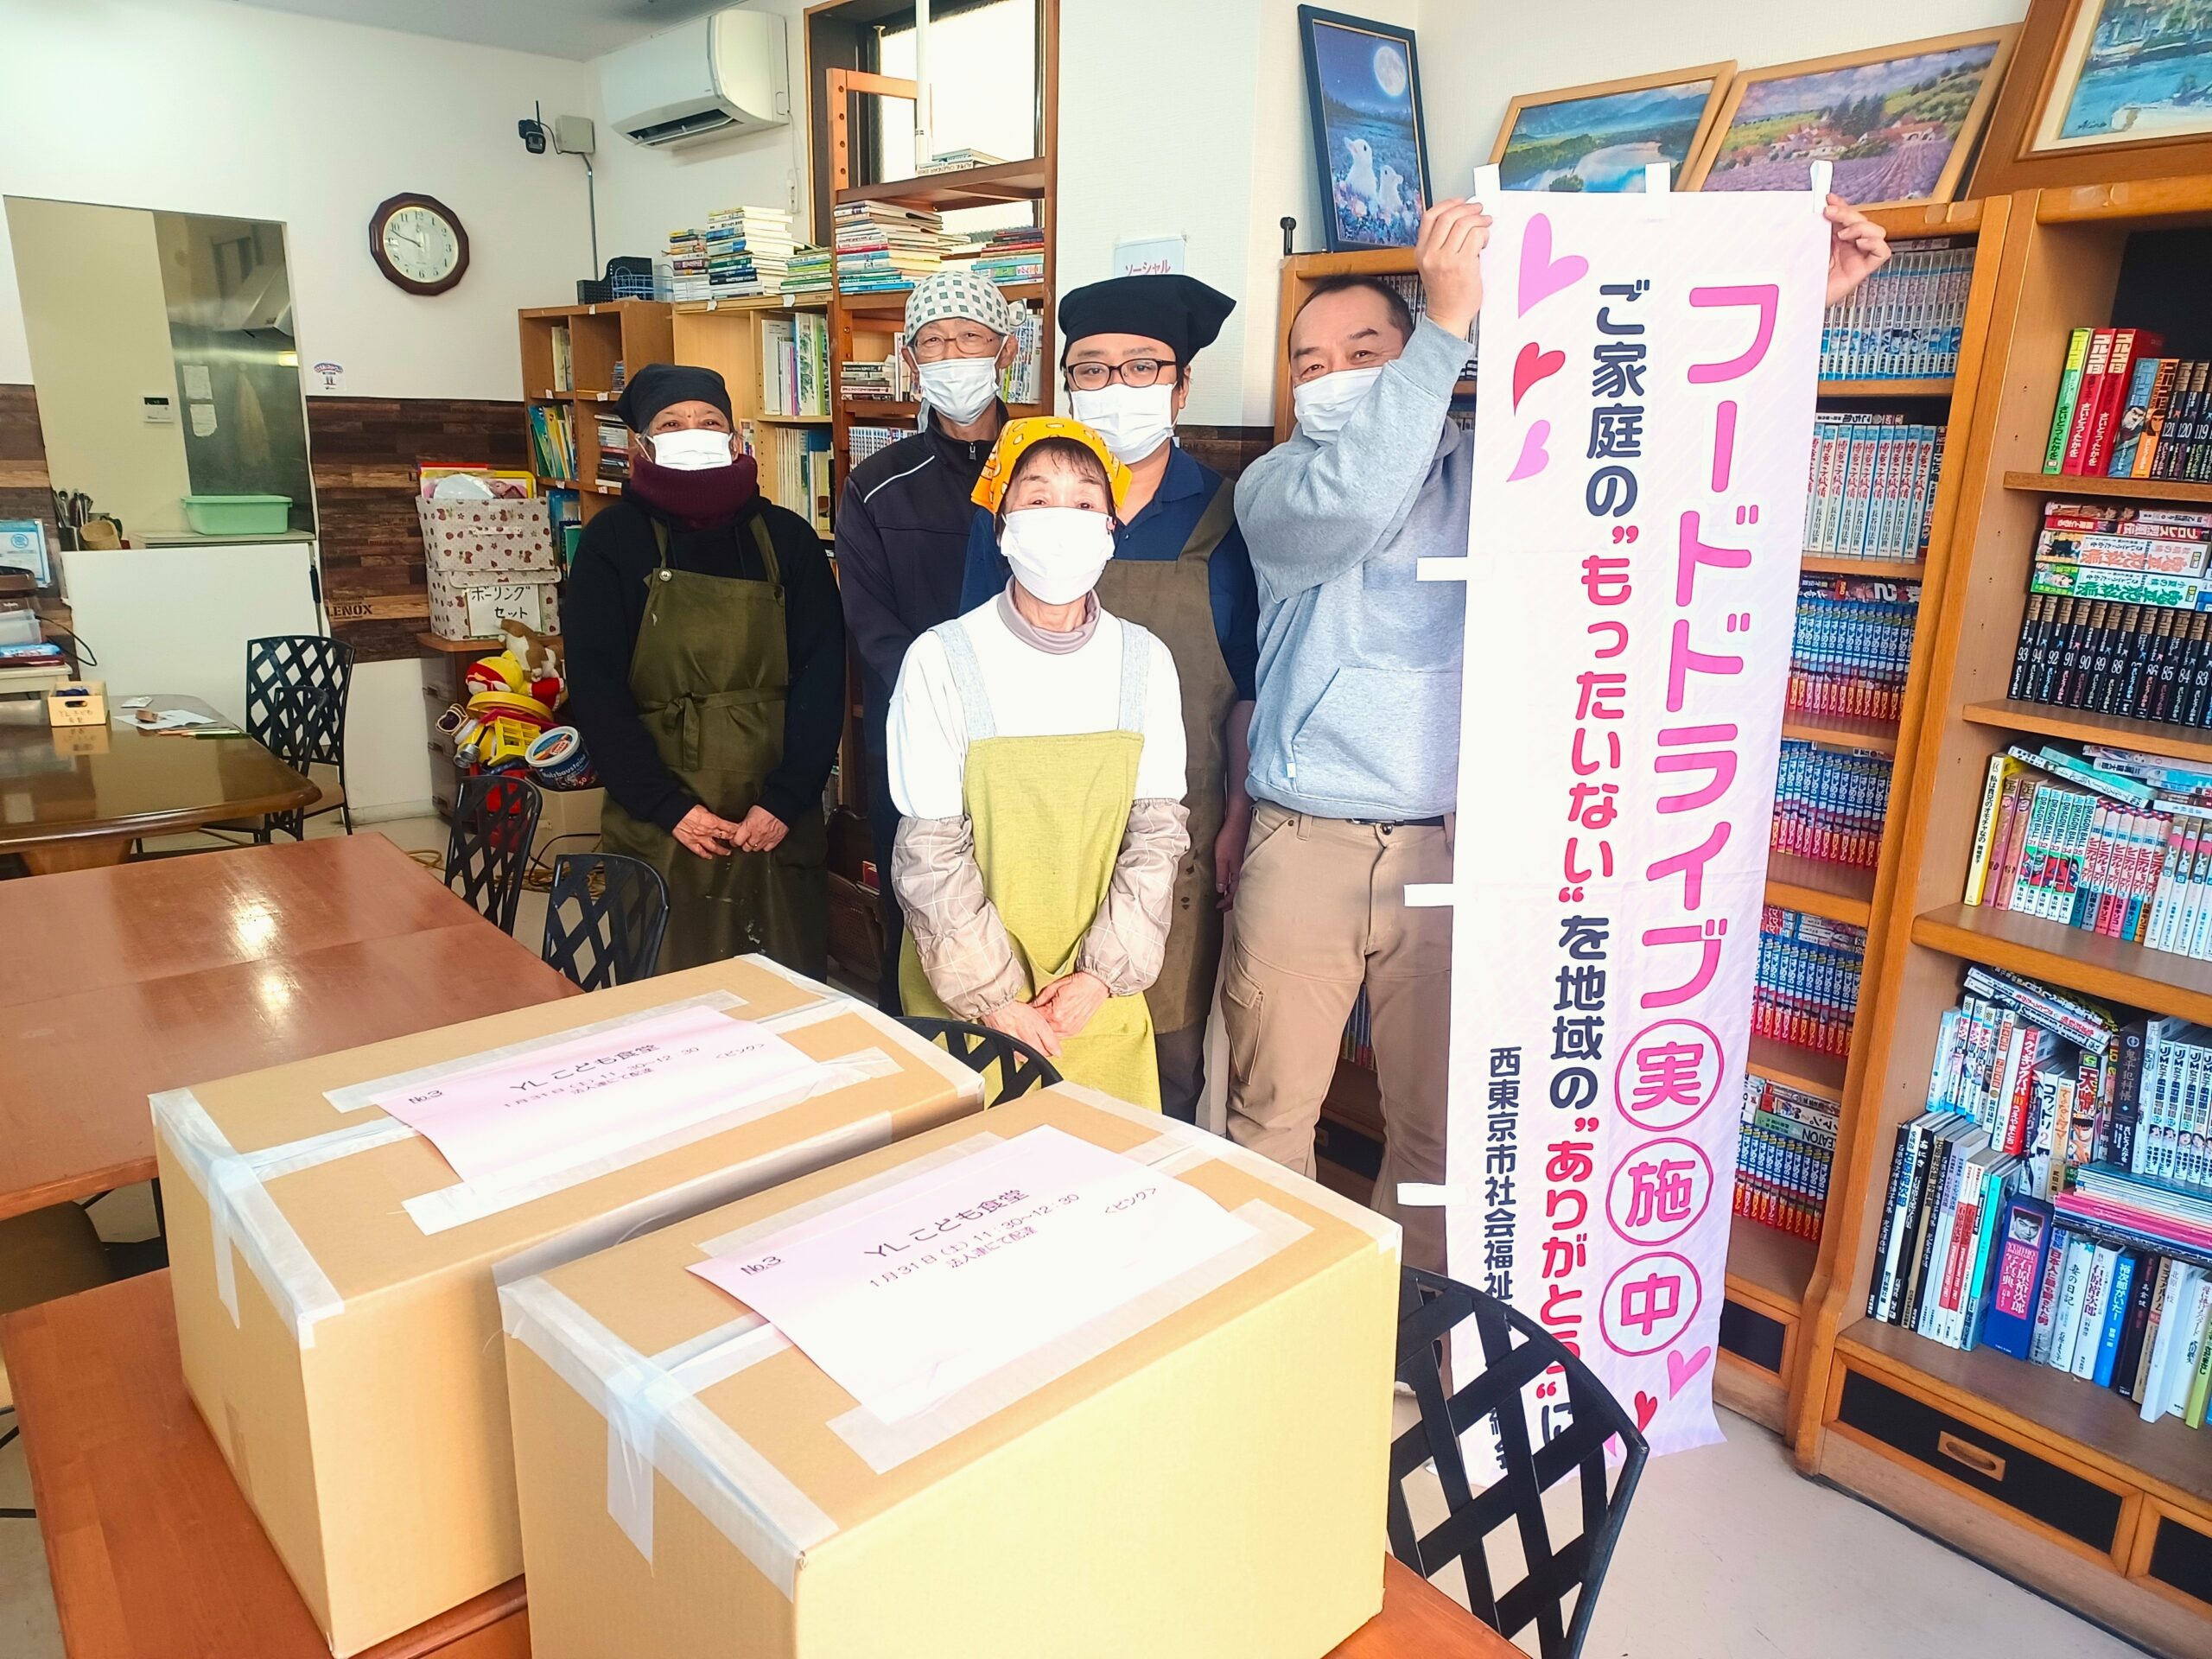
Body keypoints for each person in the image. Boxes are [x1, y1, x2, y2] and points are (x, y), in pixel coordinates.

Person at [1228, 194, 1893, 1272]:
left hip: (1463, 851)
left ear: (1415, 362)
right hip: (1304, 842)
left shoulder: (1506, 469)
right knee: (1266, 1120)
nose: (1332, 375)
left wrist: (1792, 304)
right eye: (1310, 362)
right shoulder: (1274, 485)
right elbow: (1353, 504)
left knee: (1442, 1138)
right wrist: (1445, 325)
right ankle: (1276, 1335)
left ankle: (1424, 1341)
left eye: (1364, 352)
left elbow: (1656, 449)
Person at [957, 275, 1259, 1122]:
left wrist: (1238, 814)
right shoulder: (1013, 509)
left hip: (1169, 840)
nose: (1115, 386)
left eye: (1142, 366)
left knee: (1160, 1063)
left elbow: (1245, 687)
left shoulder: (1226, 515)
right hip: (1022, 832)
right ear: (1067, 384)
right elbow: (968, 661)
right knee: (1020, 1064)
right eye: (1090, 369)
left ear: (1182, 385)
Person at [891, 417, 1190, 1107]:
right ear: (1002, 526)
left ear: (1111, 527)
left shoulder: (1146, 661)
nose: (1062, 518)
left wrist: (1100, 978)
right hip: (966, 993)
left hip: (1096, 998)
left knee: (1107, 1159)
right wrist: (994, 997)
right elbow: (929, 853)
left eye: (1084, 501)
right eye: (1037, 498)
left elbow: (1156, 836)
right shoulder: (940, 659)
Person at [565, 362, 844, 976]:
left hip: (775, 811)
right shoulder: (613, 541)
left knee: (786, 986)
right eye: (672, 423)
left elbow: (824, 675)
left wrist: (786, 800)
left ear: (736, 438)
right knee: (667, 988)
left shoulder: (788, 538)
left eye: (709, 421)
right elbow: (596, 689)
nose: (693, 432)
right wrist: (667, 807)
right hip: (661, 813)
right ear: (641, 444)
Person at [837, 270, 1022, 1011]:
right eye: (933, 342)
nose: (953, 355)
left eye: (970, 337)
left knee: (1028, 908)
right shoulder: (878, 484)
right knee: (920, 921)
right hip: (917, 740)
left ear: (1005, 350)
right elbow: (870, 621)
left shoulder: (1048, 464)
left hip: (1030, 738)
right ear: (911, 362)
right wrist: (947, 702)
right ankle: (916, 1048)